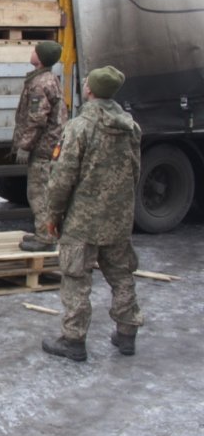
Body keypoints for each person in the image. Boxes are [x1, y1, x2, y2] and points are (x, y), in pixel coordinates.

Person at [41, 66, 144, 362]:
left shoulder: (80, 127)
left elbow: (62, 177)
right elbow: (135, 170)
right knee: (121, 274)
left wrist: (53, 214)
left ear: (90, 90)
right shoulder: (130, 127)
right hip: (118, 218)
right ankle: (127, 333)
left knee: (76, 278)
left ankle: (73, 340)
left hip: (83, 219)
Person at [11, 41, 68, 252]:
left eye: (35, 50)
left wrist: (25, 146)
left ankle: (45, 238)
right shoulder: (48, 79)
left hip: (42, 148)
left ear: (41, 57)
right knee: (43, 191)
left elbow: (37, 119)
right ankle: (45, 233)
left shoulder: (39, 84)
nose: (31, 52)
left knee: (38, 193)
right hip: (48, 145)